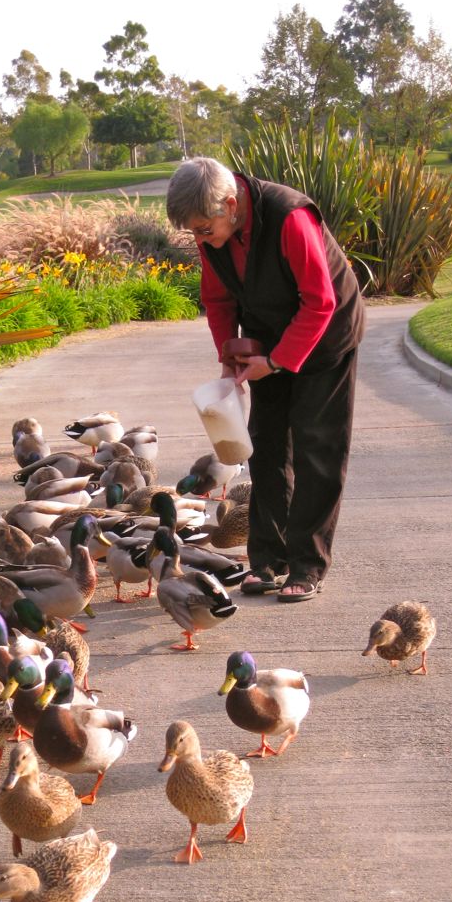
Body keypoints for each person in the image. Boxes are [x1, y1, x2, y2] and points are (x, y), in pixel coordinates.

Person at [165, 157, 364, 602]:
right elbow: (217, 299)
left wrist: (277, 362)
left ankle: (307, 565)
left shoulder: (290, 217)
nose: (200, 239)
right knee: (266, 443)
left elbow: (319, 302)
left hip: (326, 334)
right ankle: (267, 561)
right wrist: (228, 358)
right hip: (268, 337)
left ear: (230, 205)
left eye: (202, 229)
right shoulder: (213, 228)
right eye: (192, 232)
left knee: (317, 448)